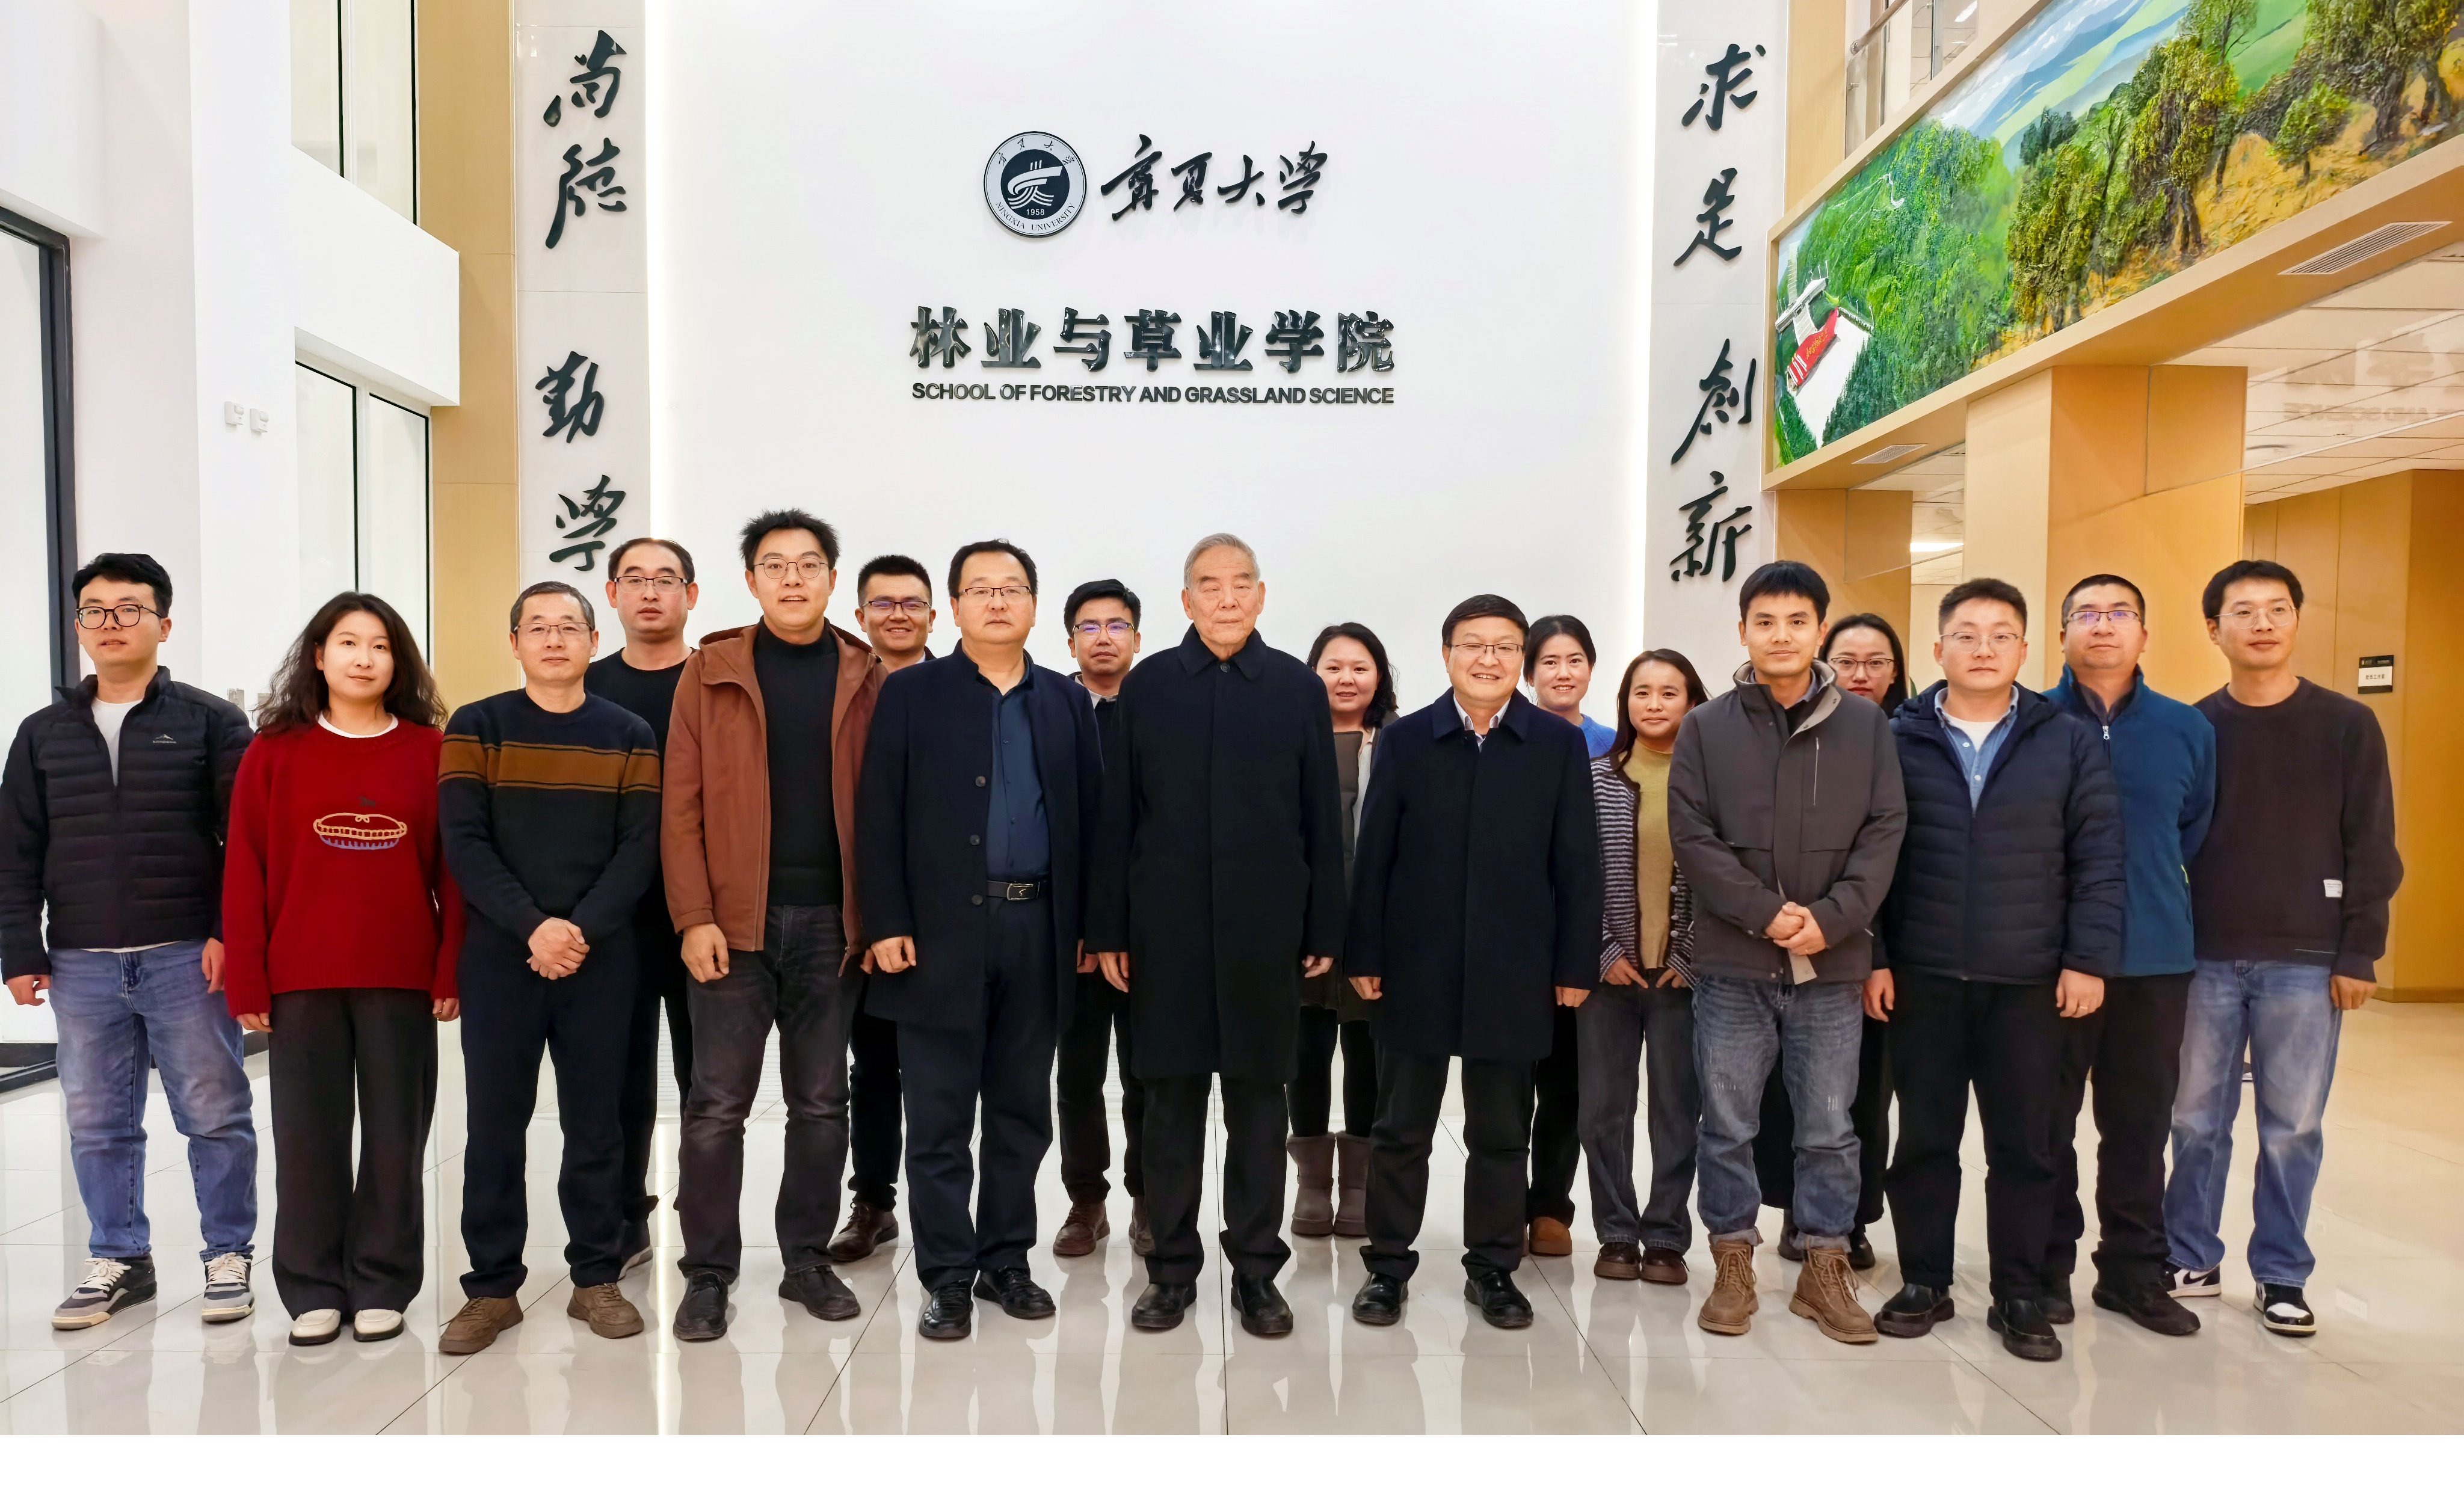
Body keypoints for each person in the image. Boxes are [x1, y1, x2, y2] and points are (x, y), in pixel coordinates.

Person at [1088, 533, 1346, 1338]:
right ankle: (1170, 1271)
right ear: (1186, 600)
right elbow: (1118, 815)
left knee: (1259, 1109)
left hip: (1265, 932)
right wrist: (1109, 928)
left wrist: (1324, 922)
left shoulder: (1297, 688)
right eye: (1210, 584)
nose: (1226, 597)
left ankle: (1258, 1273)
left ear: (1261, 596)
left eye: (1241, 584)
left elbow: (1320, 816)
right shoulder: (1150, 685)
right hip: (1163, 931)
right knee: (1167, 1107)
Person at [1867, 578, 2124, 1363]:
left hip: (2030, 981)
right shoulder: (1896, 738)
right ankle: (1924, 1281)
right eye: (1966, 634)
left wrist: (2087, 959)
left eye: (2000, 634)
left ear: (2025, 648)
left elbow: (2099, 858)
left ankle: (2020, 1293)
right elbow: (1868, 858)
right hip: (1923, 976)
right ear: (1938, 647)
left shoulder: (2066, 739)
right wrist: (1875, 957)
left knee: (2027, 1146)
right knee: (1924, 1141)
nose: (1983, 648)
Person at [4, 553, 259, 1332]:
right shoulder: (43, 733)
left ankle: (227, 1254)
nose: (110, 623)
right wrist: (20, 951)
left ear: (164, 624)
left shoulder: (211, 722)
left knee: (214, 1113)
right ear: (79, 626)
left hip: (187, 954)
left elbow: (246, 842)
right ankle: (120, 1257)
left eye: (129, 609)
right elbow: (15, 847)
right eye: (95, 610)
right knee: (96, 1121)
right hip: (81, 960)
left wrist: (229, 933)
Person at [857, 541, 1103, 1339]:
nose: (998, 601)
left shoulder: (1065, 701)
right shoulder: (911, 694)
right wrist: (886, 921)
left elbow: (1092, 823)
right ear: (954, 607)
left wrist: (1090, 928)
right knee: (937, 1116)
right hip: (937, 933)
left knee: (1021, 1110)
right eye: (980, 589)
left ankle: (1006, 1260)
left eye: (1013, 588)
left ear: (1034, 604)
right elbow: (877, 811)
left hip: (1040, 928)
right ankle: (947, 1274)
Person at [1344, 595, 1601, 1330]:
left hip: (1515, 965)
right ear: (1446, 654)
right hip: (1415, 961)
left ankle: (1492, 1266)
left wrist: (1573, 962)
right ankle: (1387, 1265)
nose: (1488, 658)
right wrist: (1365, 948)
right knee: (1400, 1126)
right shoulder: (1406, 740)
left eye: (1503, 646)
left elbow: (1576, 862)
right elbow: (1374, 854)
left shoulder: (1553, 743)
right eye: (1472, 644)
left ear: (1520, 657)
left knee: (1500, 1130)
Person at [1667, 560, 1901, 1347]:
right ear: (1743, 631)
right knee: (1727, 1122)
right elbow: (1693, 837)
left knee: (1830, 1125)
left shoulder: (1865, 726)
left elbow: (1884, 831)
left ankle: (1824, 1268)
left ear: (1819, 630)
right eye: (1764, 622)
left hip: (1831, 967)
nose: (1780, 635)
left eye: (1797, 621)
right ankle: (1733, 1264)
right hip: (1734, 966)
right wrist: (1766, 914)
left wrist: (1832, 920)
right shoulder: (1706, 726)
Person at [665, 510, 884, 1342]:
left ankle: (805, 1259)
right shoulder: (711, 670)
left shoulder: (865, 674)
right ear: (751, 580)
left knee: (822, 1102)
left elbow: (890, 808)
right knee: (716, 1104)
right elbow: (680, 807)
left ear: (832, 578)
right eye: (775, 565)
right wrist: (694, 917)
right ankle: (708, 1272)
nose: (793, 578)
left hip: (834, 924)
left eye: (809, 564)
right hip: (733, 926)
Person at [2166, 560, 2400, 1337]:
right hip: (2202, 957)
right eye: (2243, 611)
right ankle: (2189, 1255)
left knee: (2292, 1125)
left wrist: (2360, 950)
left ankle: (2281, 1274)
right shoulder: (2193, 727)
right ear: (2214, 629)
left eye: (2276, 609)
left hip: (2306, 958)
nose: (2261, 624)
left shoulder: (2346, 725)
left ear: (2297, 620)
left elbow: (2373, 842)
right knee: (2194, 1120)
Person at [223, 593, 461, 1346]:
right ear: (319, 656)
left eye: (381, 645)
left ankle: (383, 1279)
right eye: (349, 642)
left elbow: (454, 872)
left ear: (399, 661)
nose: (364, 658)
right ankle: (314, 1284)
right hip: (300, 976)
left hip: (400, 973)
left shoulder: (430, 750)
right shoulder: (275, 750)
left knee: (396, 1137)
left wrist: (450, 966)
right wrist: (248, 976)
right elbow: (245, 870)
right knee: (307, 1139)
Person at [437, 581, 662, 1355]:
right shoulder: (477, 725)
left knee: (597, 1123)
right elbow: (464, 843)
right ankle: (492, 1288)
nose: (555, 639)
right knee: (494, 1126)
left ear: (595, 641)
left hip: (603, 958)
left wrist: (576, 930)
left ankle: (596, 1276)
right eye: (538, 627)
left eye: (570, 626)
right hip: (502, 956)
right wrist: (534, 926)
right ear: (515, 643)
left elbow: (639, 848)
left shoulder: (629, 732)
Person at [2041, 574, 2214, 1338]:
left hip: (2153, 957)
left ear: (2144, 633)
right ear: (2061, 635)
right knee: (2044, 1124)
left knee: (2139, 1127)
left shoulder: (2186, 727)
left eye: (2120, 613)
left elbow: (2192, 829)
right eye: (2086, 613)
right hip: (2048, 960)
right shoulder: (2031, 719)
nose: (2103, 625)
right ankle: (2045, 1268)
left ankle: (2132, 1272)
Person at [1754, 612, 1908, 1268]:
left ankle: (1850, 1219)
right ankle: (1800, 1211)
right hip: (1808, 938)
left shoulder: (1906, 737)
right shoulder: (1802, 735)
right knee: (1797, 1089)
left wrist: (1880, 955)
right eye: (1848, 661)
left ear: (1897, 671)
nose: (1861, 674)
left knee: (1863, 1095)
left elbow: (1890, 853)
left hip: (1879, 947)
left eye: (1877, 662)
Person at [586, 538, 701, 1274]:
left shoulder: (715, 680)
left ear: (692, 593)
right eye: (635, 579)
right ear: (612, 593)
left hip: (701, 912)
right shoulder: (586, 685)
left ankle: (705, 1218)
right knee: (618, 1075)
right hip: (613, 915)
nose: (650, 592)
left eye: (666, 579)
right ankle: (626, 1214)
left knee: (707, 1079)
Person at [1578, 648, 1705, 1285]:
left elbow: (1729, 872)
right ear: (1624, 702)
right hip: (1609, 977)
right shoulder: (1595, 778)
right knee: (1603, 1110)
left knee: (1676, 1112)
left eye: (1669, 692)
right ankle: (1616, 1232)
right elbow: (1574, 873)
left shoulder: (1711, 781)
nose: (1653, 704)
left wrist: (1691, 952)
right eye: (1641, 692)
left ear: (1693, 701)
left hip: (1683, 979)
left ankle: (1666, 1236)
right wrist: (1603, 950)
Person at [830, 553, 938, 1264]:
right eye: (882, 603)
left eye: (911, 603)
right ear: (860, 615)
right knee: (872, 1067)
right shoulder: (842, 692)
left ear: (934, 614)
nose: (897, 614)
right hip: (857, 914)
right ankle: (872, 1202)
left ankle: (943, 1210)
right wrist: (871, 920)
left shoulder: (960, 689)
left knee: (944, 1072)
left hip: (948, 913)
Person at [1052, 579, 1151, 1258]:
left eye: (1117, 626)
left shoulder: (1160, 709)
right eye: (1090, 627)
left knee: (1149, 1073)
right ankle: (1086, 1201)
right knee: (1078, 1073)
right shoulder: (1050, 709)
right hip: (1071, 931)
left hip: (1148, 930)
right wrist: (1083, 924)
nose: (1104, 638)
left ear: (1137, 639)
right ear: (1070, 643)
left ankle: (1148, 1196)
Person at [1287, 623, 1394, 1241]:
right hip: (1303, 922)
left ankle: (1358, 1182)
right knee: (1304, 1049)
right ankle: (1311, 1181)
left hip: (1373, 921)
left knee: (1365, 1051)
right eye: (1333, 667)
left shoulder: (1399, 741)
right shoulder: (1289, 740)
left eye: (1360, 666)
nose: (1347, 678)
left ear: (1379, 675)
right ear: (1312, 674)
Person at [1517, 613, 1607, 1257]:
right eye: (1549, 661)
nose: (1563, 672)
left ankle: (1550, 1206)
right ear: (1529, 673)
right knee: (1508, 1084)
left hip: (1585, 940)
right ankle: (1503, 1204)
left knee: (1566, 1083)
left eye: (1574, 659)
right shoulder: (1509, 739)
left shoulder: (1613, 745)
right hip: (1521, 938)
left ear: (1591, 669)